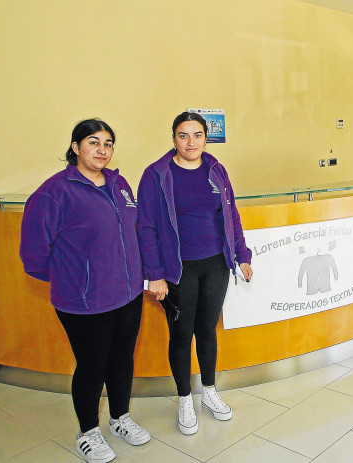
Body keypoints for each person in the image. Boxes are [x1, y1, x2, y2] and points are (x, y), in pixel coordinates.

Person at [20, 119, 150, 463]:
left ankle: (120, 418)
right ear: (76, 147)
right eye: (93, 142)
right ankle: (88, 432)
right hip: (84, 301)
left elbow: (131, 234)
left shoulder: (120, 183)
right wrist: (78, 278)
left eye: (108, 143)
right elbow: (33, 256)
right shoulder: (53, 192)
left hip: (128, 294)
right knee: (93, 365)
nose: (102, 150)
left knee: (122, 360)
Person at [137, 112, 253, 435]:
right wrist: (154, 274)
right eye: (183, 135)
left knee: (207, 329)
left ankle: (209, 392)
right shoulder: (156, 175)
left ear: (206, 137)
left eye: (197, 135)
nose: (191, 142)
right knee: (181, 333)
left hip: (216, 263)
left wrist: (241, 255)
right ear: (173, 138)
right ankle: (185, 397)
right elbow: (145, 227)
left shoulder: (216, 170)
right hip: (177, 269)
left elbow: (232, 214)